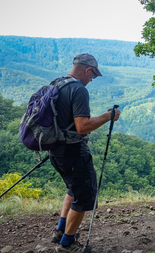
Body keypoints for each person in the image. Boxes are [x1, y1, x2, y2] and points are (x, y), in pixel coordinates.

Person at [49, 53, 121, 253]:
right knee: (84, 196)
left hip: (56, 150)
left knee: (73, 189)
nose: (92, 80)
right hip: (73, 152)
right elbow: (82, 127)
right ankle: (67, 244)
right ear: (87, 70)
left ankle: (60, 232)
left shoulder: (58, 83)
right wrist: (108, 116)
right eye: (93, 76)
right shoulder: (79, 90)